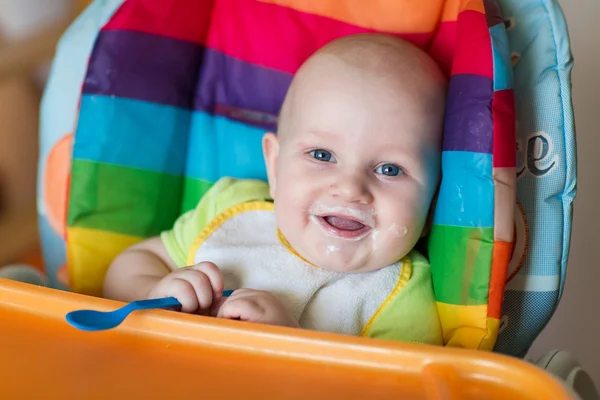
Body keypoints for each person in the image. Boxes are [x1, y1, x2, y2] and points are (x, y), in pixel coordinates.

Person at [103, 33, 447, 345]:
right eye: (322, 155)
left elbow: (394, 387)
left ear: (433, 204)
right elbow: (128, 267)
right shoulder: (230, 211)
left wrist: (290, 341)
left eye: (390, 169)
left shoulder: (400, 297)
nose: (349, 188)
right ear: (275, 166)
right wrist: (152, 290)